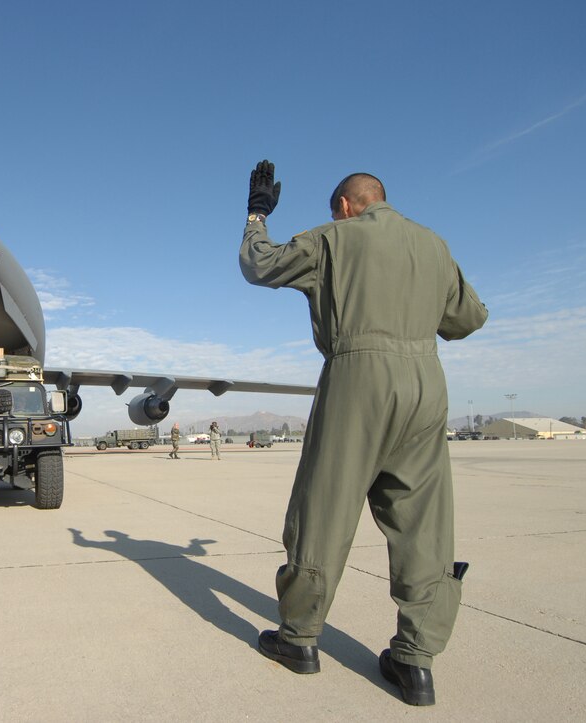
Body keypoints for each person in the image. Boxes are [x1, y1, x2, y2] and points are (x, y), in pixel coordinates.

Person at [239, 160, 487, 706]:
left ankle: (300, 639)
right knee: (423, 520)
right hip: (426, 384)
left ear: (347, 206)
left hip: (358, 375)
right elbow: (468, 319)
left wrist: (258, 214)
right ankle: (415, 662)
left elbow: (259, 266)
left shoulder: (334, 237)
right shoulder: (434, 245)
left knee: (324, 507)